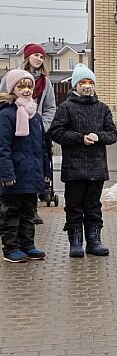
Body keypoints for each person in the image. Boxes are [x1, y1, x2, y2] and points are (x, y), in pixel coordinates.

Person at [48, 64, 116, 257]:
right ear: (75, 85)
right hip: (74, 167)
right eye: (83, 82)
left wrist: (98, 137)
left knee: (93, 206)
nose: (87, 86)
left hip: (97, 167)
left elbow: (112, 134)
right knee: (74, 206)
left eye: (90, 82)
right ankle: (75, 241)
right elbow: (56, 132)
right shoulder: (66, 107)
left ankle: (94, 240)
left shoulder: (102, 108)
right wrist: (79, 138)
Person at [0, 70, 50, 263]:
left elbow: (42, 148)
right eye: (21, 86)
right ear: (13, 89)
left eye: (29, 86)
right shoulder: (7, 115)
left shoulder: (34, 116)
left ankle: (28, 245)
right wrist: (6, 173)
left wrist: (45, 172)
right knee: (11, 213)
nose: (27, 90)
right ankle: (11, 247)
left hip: (31, 173)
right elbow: (3, 147)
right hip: (13, 173)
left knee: (28, 212)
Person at [22, 43, 55, 224]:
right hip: (16, 130)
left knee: (36, 168)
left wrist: (41, 125)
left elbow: (50, 107)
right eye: (35, 55)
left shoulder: (45, 82)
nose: (39, 59)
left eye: (42, 56)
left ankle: (32, 208)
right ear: (28, 57)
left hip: (37, 132)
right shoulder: (14, 77)